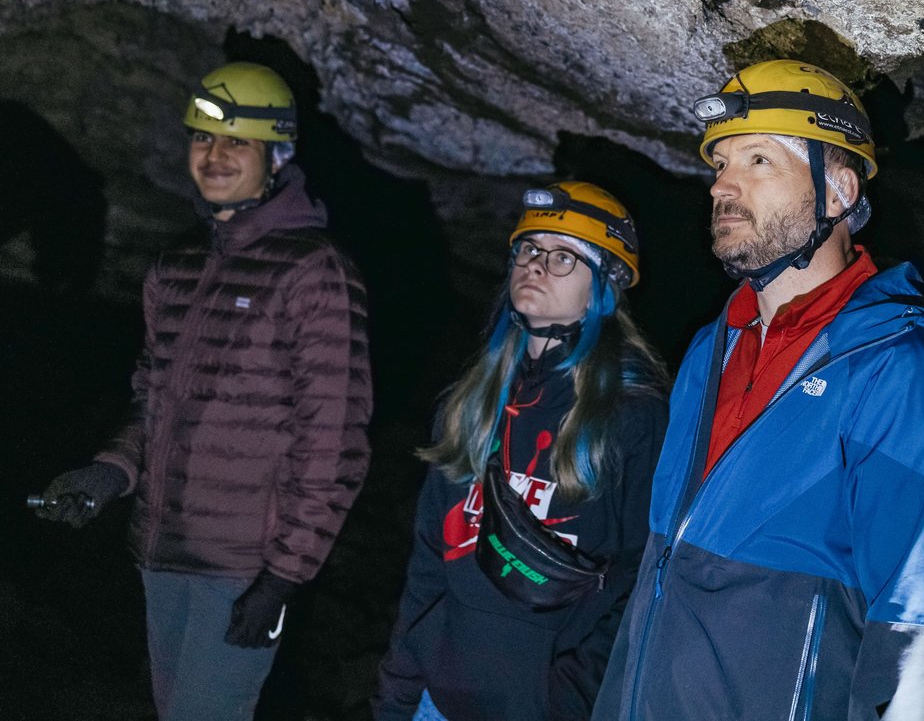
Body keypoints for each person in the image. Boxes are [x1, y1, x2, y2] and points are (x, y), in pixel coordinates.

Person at [592, 60, 924, 721]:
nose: (723, 184)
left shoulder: (902, 367)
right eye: (720, 163)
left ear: (836, 191)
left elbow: (923, 625)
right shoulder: (708, 351)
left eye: (758, 160)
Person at [36, 62, 373, 721]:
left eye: (236, 142)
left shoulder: (315, 274)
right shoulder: (178, 269)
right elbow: (153, 401)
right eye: (202, 138)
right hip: (161, 551)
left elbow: (333, 440)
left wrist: (282, 577)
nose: (214, 156)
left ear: (277, 156)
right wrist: (108, 474)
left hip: (243, 564)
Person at [374, 181, 669, 721]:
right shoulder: (470, 405)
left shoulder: (630, 418)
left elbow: (639, 576)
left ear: (603, 288)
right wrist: (399, 686)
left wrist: (568, 695)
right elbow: (429, 560)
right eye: (528, 250)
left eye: (563, 258)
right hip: (435, 700)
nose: (536, 265)